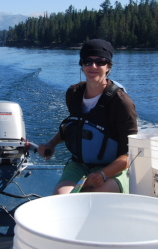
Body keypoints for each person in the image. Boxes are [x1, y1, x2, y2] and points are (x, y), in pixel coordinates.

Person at [38, 39, 137, 195]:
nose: (93, 66)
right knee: (61, 198)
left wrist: (103, 174)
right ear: (81, 64)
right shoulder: (74, 93)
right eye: (88, 61)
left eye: (100, 61)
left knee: (97, 197)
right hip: (80, 165)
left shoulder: (121, 103)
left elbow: (129, 154)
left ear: (108, 66)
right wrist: (52, 143)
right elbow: (74, 126)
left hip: (114, 167)